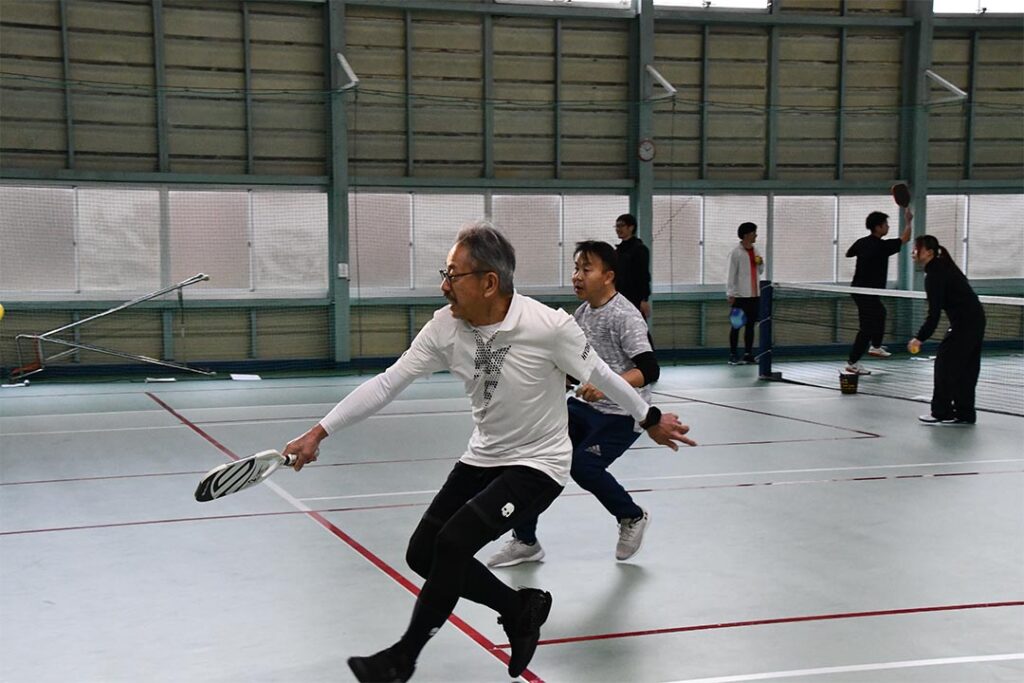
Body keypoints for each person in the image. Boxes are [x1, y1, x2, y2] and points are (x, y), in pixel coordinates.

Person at [283, 223, 695, 683]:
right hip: (483, 456)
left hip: (539, 464)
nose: (444, 285)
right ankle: (519, 607)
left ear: (488, 283)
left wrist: (648, 418)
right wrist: (318, 432)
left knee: (453, 543)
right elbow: (387, 383)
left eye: (453, 275)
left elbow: (603, 374)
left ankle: (402, 658)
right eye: (445, 273)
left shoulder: (548, 326)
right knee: (422, 554)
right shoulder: (445, 327)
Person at [487, 240, 672, 569]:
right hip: (584, 408)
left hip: (623, 413)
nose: (577, 276)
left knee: (583, 466)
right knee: (535, 457)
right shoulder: (582, 314)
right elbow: (574, 367)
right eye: (575, 268)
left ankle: (631, 516)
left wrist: (607, 388)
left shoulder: (625, 316)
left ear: (608, 276)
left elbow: (649, 369)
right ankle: (525, 541)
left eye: (586, 269)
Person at [907, 235, 985, 426]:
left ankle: (941, 412)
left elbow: (934, 314)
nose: (913, 252)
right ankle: (965, 414)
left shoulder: (935, 274)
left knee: (945, 365)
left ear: (928, 252)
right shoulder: (943, 267)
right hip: (975, 320)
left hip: (965, 324)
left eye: (917, 249)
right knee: (965, 369)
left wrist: (919, 338)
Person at [843, 208, 913, 375]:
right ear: (878, 227)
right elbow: (905, 238)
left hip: (860, 290)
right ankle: (853, 362)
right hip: (867, 292)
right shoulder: (883, 246)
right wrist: (908, 221)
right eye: (886, 224)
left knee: (880, 313)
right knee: (867, 328)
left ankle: (875, 346)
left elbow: (848, 254)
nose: (888, 227)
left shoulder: (862, 242)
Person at [725, 222, 765, 365]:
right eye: (754, 233)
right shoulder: (736, 252)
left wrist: (760, 263)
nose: (756, 235)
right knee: (736, 325)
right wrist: (730, 293)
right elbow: (731, 274)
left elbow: (760, 270)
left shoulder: (756, 250)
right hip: (740, 297)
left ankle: (748, 354)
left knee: (750, 326)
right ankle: (733, 354)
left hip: (754, 296)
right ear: (746, 235)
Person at [614, 213, 652, 320]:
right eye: (616, 226)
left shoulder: (640, 249)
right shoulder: (618, 251)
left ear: (631, 227)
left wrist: (644, 299)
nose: (618, 229)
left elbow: (643, 276)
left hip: (635, 298)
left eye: (621, 226)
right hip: (619, 297)